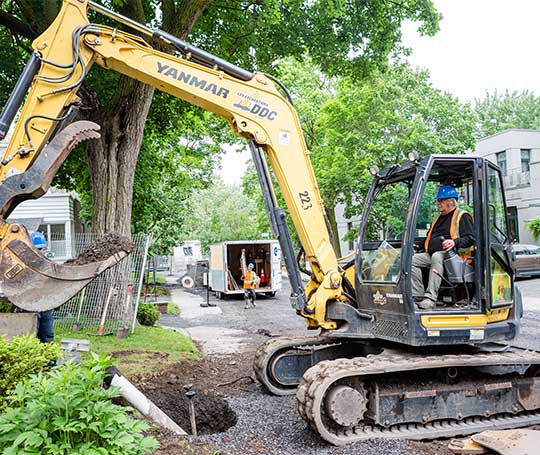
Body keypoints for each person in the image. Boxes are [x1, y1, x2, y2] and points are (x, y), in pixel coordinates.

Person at [412, 185, 475, 310]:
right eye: (438, 201)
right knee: (412, 260)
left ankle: (431, 298)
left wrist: (454, 242)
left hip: (455, 256)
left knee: (436, 256)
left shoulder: (462, 216)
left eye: (441, 200)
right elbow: (430, 238)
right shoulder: (438, 218)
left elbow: (471, 238)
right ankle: (418, 296)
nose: (438, 203)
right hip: (433, 254)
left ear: (450, 201)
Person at [30, 231, 55, 343]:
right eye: (38, 249)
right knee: (31, 334)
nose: (40, 252)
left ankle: (49, 360)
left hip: (45, 305)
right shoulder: (25, 265)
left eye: (42, 249)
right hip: (29, 305)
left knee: (47, 334)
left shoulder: (49, 265)